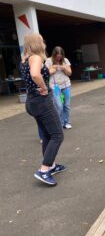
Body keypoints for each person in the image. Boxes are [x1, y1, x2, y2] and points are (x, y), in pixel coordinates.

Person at [21, 33, 65, 186]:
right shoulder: (36, 57)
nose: (44, 42)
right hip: (41, 101)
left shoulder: (25, 59)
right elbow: (35, 74)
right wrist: (44, 87)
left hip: (32, 101)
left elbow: (31, 74)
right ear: (37, 43)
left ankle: (50, 165)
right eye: (42, 40)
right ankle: (44, 170)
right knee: (58, 135)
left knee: (47, 134)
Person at [45, 46, 72, 129]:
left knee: (66, 105)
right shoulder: (49, 61)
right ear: (54, 54)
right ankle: (59, 123)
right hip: (55, 87)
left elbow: (69, 73)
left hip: (66, 85)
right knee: (59, 106)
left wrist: (64, 68)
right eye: (57, 56)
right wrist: (53, 67)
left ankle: (66, 122)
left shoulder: (65, 60)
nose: (59, 57)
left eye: (60, 56)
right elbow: (46, 73)